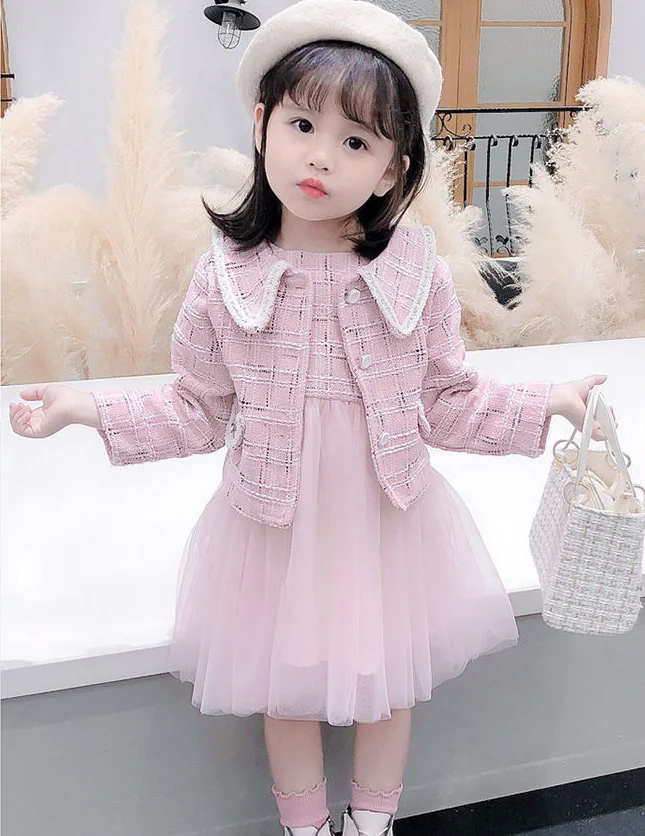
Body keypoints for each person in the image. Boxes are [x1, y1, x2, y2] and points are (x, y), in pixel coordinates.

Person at [9, 2, 609, 836]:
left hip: (384, 521)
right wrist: (86, 408)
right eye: (302, 125)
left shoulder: (417, 274)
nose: (321, 155)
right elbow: (195, 408)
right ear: (261, 126)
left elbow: (446, 400)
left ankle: (372, 823)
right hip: (272, 528)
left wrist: (547, 401)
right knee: (282, 691)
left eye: (356, 142)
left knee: (389, 686)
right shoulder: (223, 277)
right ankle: (304, 828)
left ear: (394, 171)